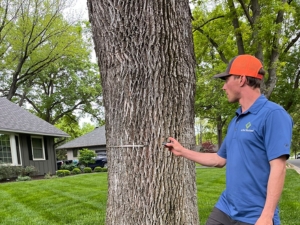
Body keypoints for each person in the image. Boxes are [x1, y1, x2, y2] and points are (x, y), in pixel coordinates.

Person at [165, 54, 293, 225]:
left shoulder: (273, 115)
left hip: (255, 214)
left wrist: (267, 216)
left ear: (241, 79)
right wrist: (182, 151)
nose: (224, 87)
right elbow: (219, 159)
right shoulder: (237, 119)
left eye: (226, 80)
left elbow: (279, 167)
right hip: (227, 207)